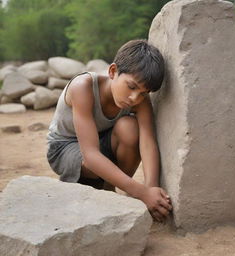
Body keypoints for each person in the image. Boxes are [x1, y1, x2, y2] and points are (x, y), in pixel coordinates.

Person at [47, 39, 172, 222]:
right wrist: (142, 193)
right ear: (113, 71)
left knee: (129, 128)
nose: (134, 98)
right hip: (65, 147)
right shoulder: (83, 87)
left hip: (101, 143)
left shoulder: (140, 101)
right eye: (131, 86)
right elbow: (90, 155)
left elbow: (147, 142)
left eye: (143, 93)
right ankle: (96, 186)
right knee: (94, 161)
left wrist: (151, 188)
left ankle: (107, 188)